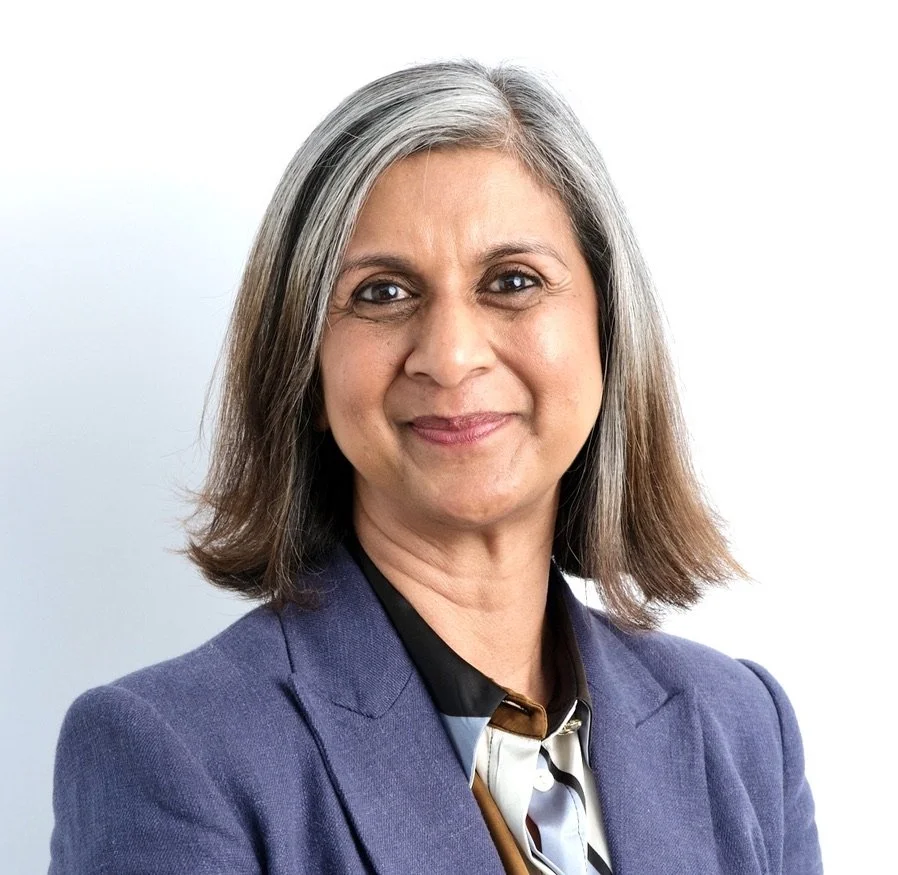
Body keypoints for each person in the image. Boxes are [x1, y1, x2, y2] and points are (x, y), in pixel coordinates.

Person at [49, 59, 823, 874]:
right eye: (382, 293)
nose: (451, 356)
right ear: (305, 366)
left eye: (512, 282)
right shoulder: (172, 754)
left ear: (607, 333)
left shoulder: (740, 730)